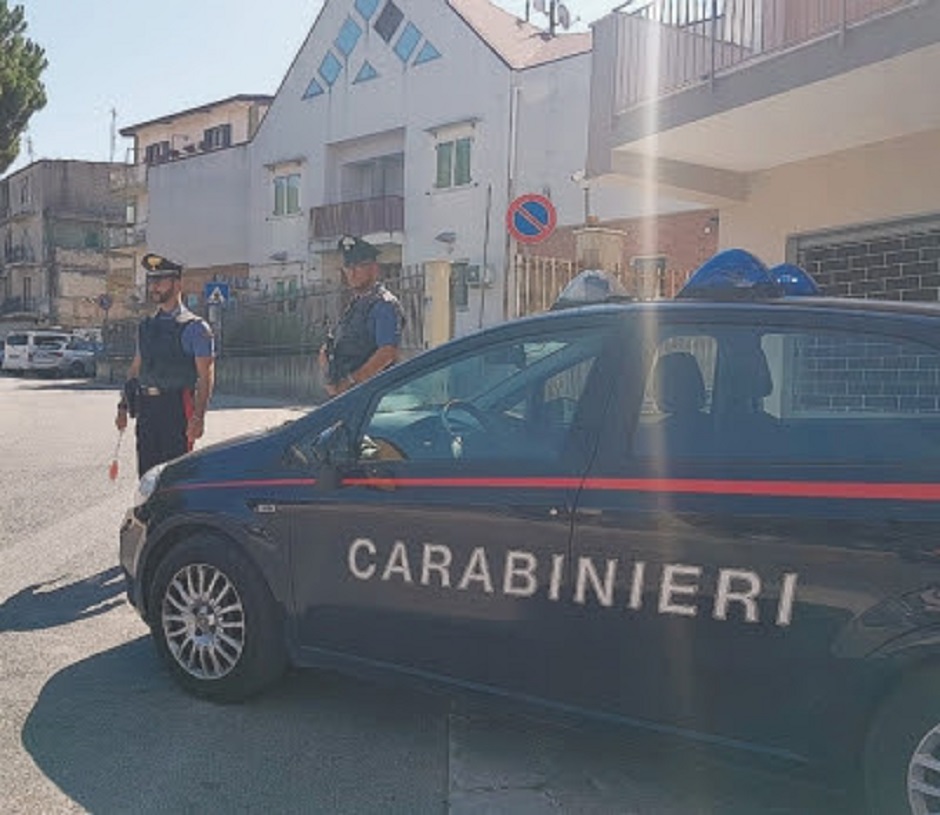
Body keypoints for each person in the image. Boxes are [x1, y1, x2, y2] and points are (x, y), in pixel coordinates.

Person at [115, 253, 216, 477]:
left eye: (160, 281)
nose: (154, 287)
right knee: (147, 476)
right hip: (146, 409)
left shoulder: (196, 328)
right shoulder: (146, 326)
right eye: (152, 281)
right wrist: (123, 406)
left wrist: (198, 417)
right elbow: (135, 368)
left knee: (174, 476)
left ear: (178, 284)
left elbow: (206, 377)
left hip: (177, 408)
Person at [319, 235, 405, 397]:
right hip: (350, 394)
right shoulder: (355, 304)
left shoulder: (384, 305)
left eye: (358, 267)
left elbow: (387, 353)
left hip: (374, 395)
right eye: (348, 267)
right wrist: (329, 373)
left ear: (374, 269)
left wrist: (351, 382)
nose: (352, 273)